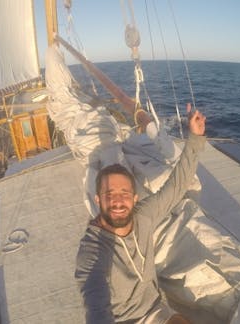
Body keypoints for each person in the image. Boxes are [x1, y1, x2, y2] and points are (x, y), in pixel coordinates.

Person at [75, 103, 206, 323]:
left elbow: (176, 186)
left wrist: (195, 138)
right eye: (109, 193)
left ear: (135, 198)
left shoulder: (143, 215)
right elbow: (95, 300)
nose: (117, 200)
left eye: (124, 192)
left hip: (154, 308)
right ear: (98, 200)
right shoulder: (93, 251)